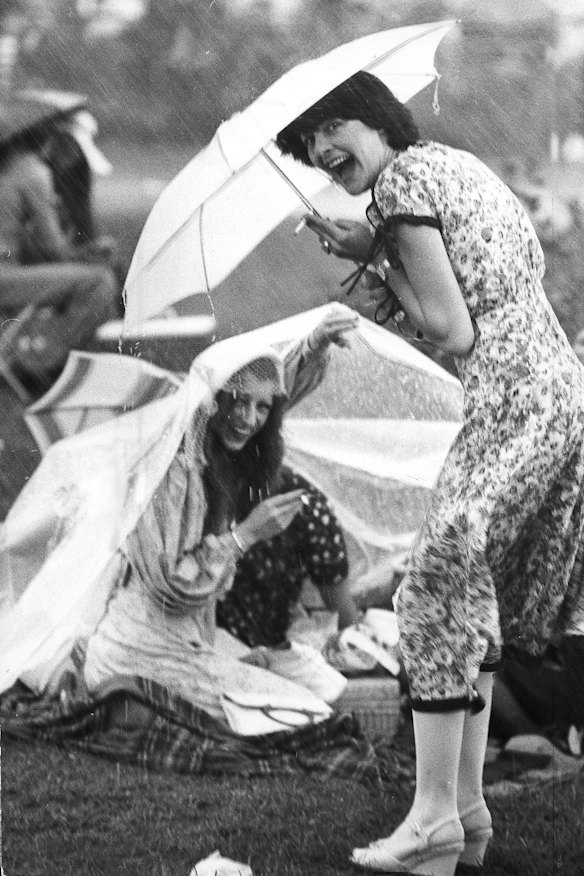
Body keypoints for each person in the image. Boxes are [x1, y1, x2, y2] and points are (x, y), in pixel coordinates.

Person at [276, 72, 584, 874]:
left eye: (329, 128)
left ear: (373, 116)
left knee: (433, 590)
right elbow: (481, 278)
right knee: (463, 596)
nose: (320, 151)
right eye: (308, 145)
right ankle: (466, 813)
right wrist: (374, 245)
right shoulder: (450, 164)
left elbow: (450, 329)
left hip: (515, 403)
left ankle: (434, 818)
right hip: (551, 393)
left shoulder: (400, 187)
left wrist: (380, 274)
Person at [82, 307, 358, 727]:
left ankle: (150, 709)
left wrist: (311, 348)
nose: (248, 419)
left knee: (319, 702)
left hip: (190, 644)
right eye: (238, 402)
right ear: (211, 401)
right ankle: (135, 700)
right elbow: (171, 586)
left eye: (261, 408)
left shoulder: (217, 453)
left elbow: (274, 393)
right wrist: (245, 536)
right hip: (142, 652)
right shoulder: (175, 470)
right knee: (308, 720)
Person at [0, 123, 119, 383]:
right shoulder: (32, 171)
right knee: (99, 282)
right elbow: (54, 248)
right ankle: (38, 363)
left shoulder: (8, 167)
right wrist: (87, 252)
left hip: (8, 270)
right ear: (48, 138)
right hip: (5, 278)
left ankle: (41, 354)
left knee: (89, 277)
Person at [217, 463, 358, 649]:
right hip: (197, 632)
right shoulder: (199, 480)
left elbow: (344, 613)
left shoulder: (302, 504)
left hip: (261, 650)